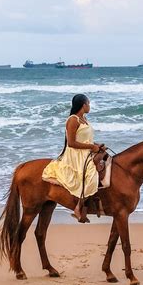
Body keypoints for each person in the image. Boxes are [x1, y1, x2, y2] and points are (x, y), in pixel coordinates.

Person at [42, 94, 104, 223]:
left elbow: (85, 139)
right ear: (83, 105)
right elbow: (71, 143)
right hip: (75, 154)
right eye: (89, 104)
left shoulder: (84, 119)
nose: (90, 106)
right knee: (92, 177)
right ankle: (78, 208)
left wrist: (96, 145)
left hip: (86, 151)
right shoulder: (73, 120)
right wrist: (92, 147)